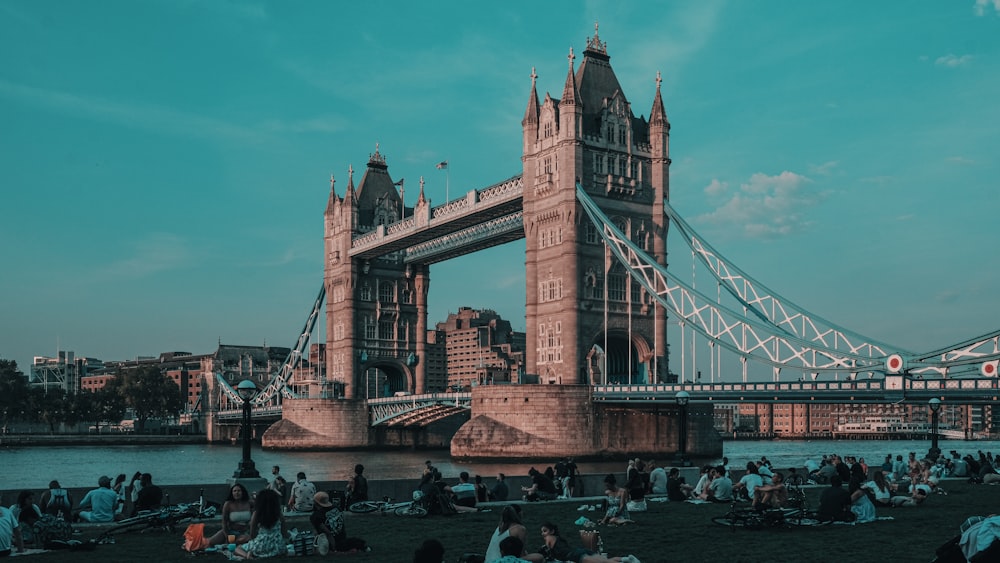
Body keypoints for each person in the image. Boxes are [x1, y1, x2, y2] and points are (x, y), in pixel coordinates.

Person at [235, 488, 286, 559]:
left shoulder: (257, 513)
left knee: (237, 548)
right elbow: (283, 532)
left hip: (261, 544)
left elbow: (252, 535)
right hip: (278, 546)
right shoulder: (279, 513)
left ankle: (247, 556)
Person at [207, 483, 253, 547]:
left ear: (243, 492)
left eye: (239, 491)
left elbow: (258, 512)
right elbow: (224, 521)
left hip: (245, 532)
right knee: (210, 542)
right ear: (232, 493)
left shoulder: (249, 502)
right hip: (231, 531)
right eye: (234, 491)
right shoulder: (228, 504)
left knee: (245, 539)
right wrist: (226, 535)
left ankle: (232, 543)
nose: (237, 493)